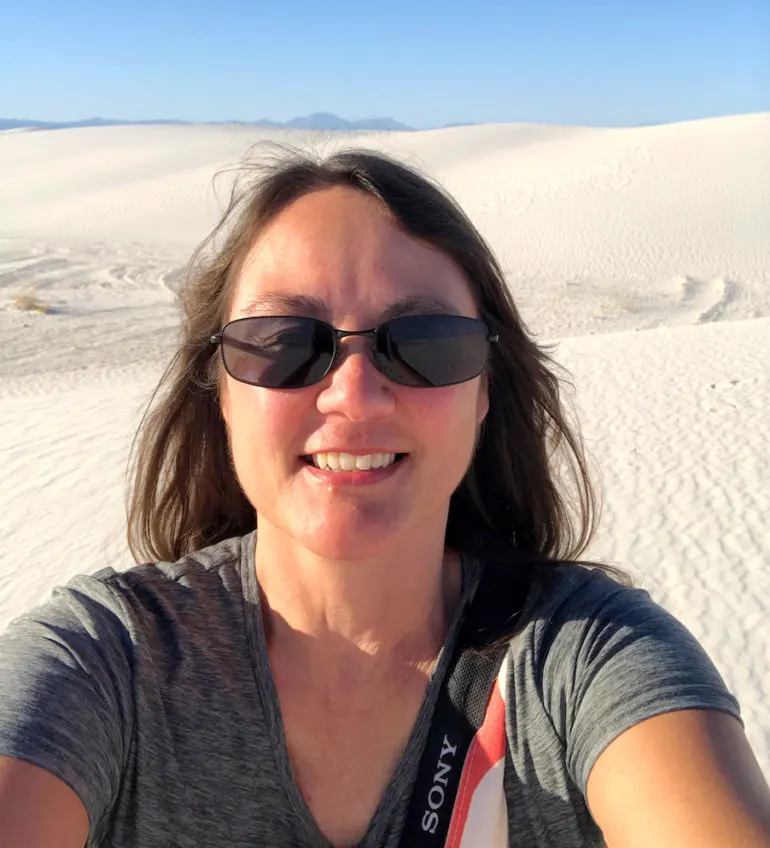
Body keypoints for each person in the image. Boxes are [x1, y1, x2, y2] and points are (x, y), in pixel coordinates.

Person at [0, 147, 768, 848]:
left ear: (484, 393)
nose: (356, 395)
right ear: (221, 394)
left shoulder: (582, 664)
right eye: (283, 341)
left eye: (427, 342)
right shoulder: (108, 662)